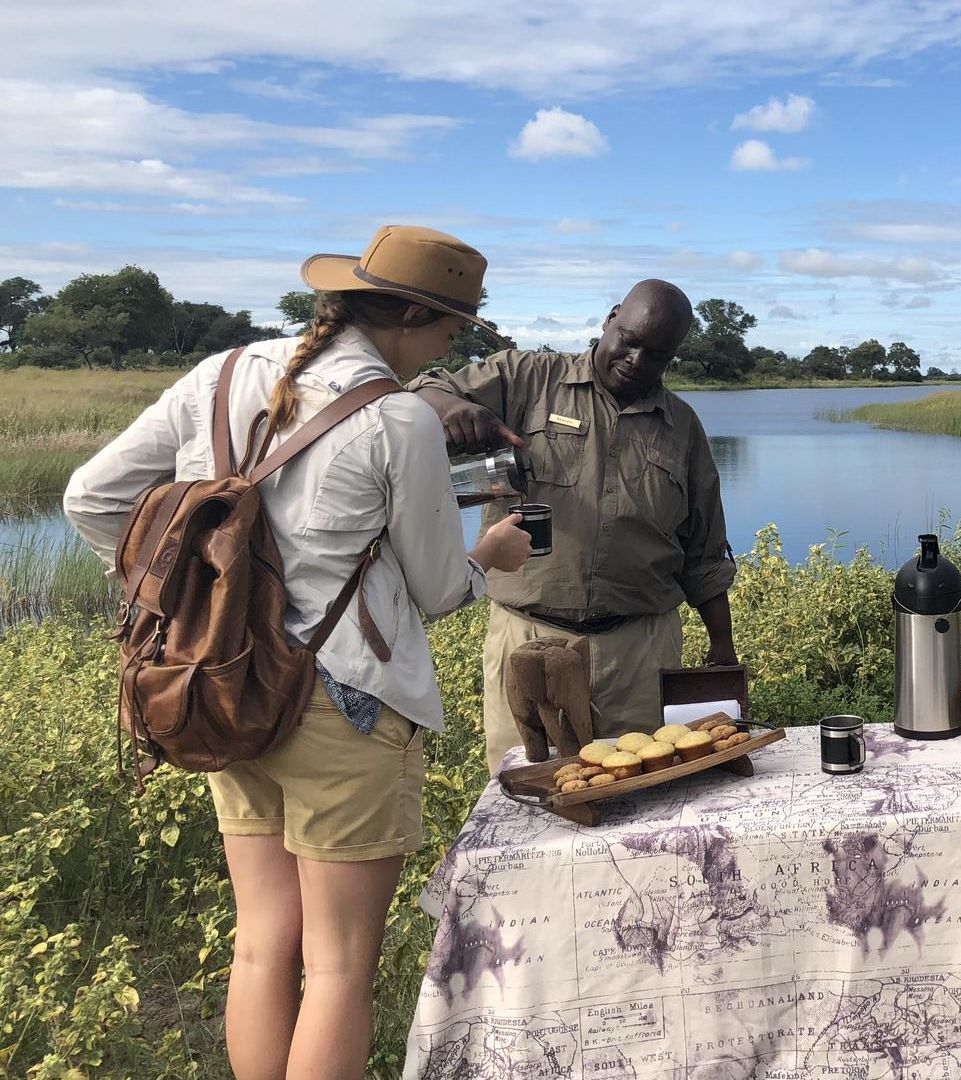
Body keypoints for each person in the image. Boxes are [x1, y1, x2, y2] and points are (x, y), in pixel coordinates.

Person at [63, 225, 533, 1080]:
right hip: (345, 700)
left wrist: (176, 597)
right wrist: (491, 552)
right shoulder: (399, 417)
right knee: (341, 966)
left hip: (225, 678)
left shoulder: (222, 374)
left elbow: (92, 498)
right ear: (409, 317)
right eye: (452, 330)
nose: (449, 350)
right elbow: (437, 591)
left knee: (260, 945)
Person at [409, 278, 738, 773]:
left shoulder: (683, 427)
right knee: (526, 789)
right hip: (528, 642)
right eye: (629, 340)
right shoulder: (524, 377)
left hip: (641, 655)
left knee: (638, 792)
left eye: (657, 354)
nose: (636, 360)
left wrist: (722, 646)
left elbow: (705, 552)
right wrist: (453, 409)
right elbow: (423, 389)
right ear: (610, 319)